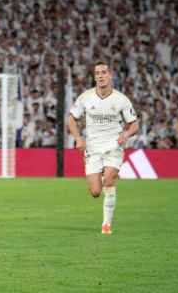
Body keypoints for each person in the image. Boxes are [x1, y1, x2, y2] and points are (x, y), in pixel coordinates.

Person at [67, 61, 140, 235]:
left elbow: (134, 124)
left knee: (108, 181)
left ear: (110, 75)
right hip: (92, 149)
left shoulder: (121, 99)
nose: (100, 75)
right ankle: (106, 172)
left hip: (113, 146)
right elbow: (71, 118)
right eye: (97, 73)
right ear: (95, 77)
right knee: (95, 192)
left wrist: (126, 135)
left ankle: (106, 225)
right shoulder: (86, 97)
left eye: (103, 72)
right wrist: (78, 138)